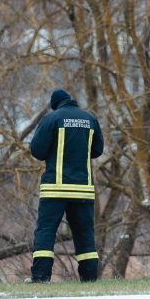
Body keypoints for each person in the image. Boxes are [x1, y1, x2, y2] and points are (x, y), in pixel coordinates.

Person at [27, 89, 104, 283]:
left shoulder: (52, 118)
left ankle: (41, 277)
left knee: (46, 231)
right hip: (83, 189)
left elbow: (37, 150)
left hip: (55, 188)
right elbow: (97, 150)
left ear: (56, 104)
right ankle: (90, 278)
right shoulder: (90, 118)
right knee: (85, 233)